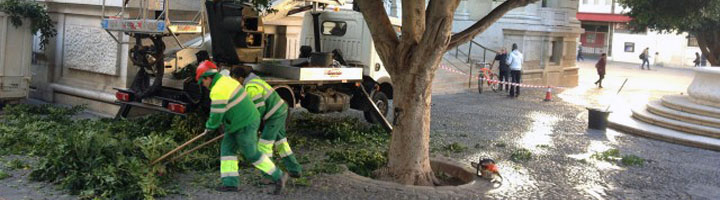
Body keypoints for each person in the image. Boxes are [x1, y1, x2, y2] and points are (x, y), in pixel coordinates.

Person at [195, 61, 289, 194]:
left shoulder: (218, 89)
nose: (203, 85)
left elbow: (216, 114)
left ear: (208, 77)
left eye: (202, 82)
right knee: (227, 150)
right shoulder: (225, 81)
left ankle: (278, 175)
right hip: (235, 124)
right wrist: (212, 126)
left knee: (251, 153)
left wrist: (209, 127)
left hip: (245, 123)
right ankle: (230, 183)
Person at [231, 66, 303, 183]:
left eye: (234, 79)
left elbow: (258, 109)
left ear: (240, 78)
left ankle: (268, 176)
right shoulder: (254, 81)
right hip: (280, 111)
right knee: (281, 143)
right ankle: (295, 169)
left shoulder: (252, 87)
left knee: (264, 145)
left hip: (274, 116)